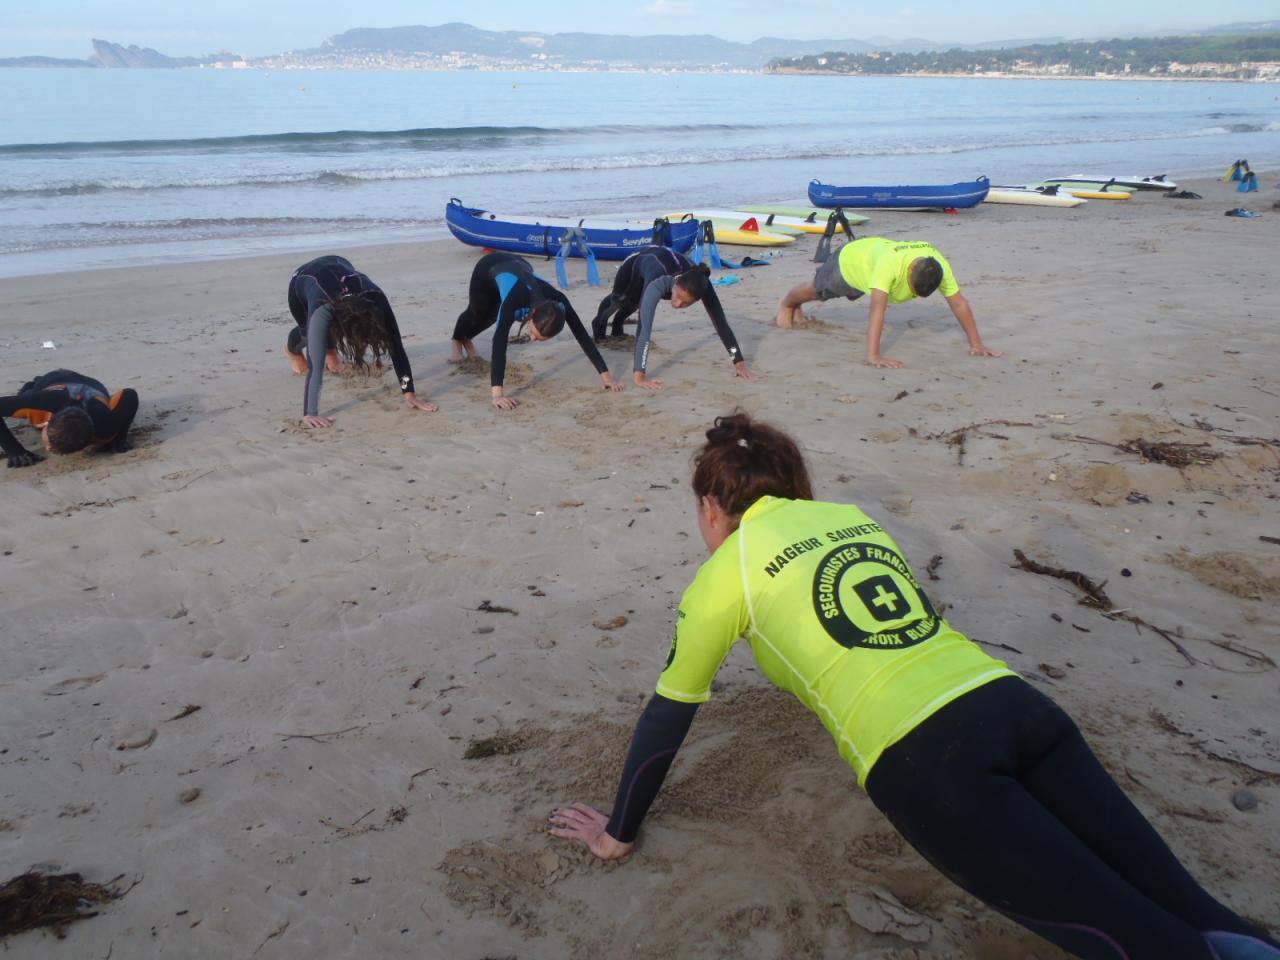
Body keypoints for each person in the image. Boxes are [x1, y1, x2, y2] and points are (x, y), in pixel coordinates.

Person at [550, 412, 1279, 960]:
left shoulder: (725, 573)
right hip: (1015, 706)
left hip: (932, 766)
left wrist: (618, 833)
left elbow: (667, 716)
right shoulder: (852, 519)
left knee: (1141, 943)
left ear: (712, 508)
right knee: (1191, 906)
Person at [775, 237, 1001, 369]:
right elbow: (877, 311)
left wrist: (977, 344)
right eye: (913, 290)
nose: (913, 295)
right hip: (850, 263)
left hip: (871, 260)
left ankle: (796, 308)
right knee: (817, 291)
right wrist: (874, 356)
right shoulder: (889, 266)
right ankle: (787, 304)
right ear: (911, 269)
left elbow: (959, 303)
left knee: (820, 292)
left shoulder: (938, 265)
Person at [450, 252, 623, 410]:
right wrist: (498, 395)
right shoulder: (514, 300)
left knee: (494, 314)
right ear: (532, 316)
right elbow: (499, 341)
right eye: (534, 333)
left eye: (539, 338)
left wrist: (607, 378)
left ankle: (468, 340)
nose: (532, 338)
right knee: (478, 312)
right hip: (489, 267)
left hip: (519, 264)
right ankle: (458, 340)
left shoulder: (560, 302)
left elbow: (582, 336)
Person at [286, 255, 437, 428]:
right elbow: (315, 365)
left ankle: (331, 353)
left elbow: (397, 349)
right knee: (312, 335)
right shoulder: (323, 308)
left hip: (337, 262)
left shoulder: (377, 299)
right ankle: (292, 351)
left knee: (327, 333)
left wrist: (409, 394)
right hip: (303, 280)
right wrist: (310, 413)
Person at [591, 246, 755, 389]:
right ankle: (598, 324)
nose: (677, 304)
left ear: (698, 298)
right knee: (622, 299)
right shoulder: (658, 283)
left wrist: (739, 363)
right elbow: (644, 329)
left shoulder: (702, 284)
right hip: (637, 264)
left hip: (662, 264)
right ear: (675, 285)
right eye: (676, 297)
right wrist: (639, 377)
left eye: (685, 303)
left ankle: (617, 326)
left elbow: (721, 325)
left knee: (635, 303)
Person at [1, 369, 138, 468]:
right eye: (51, 444)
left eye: (53, 448)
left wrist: (118, 438)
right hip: (54, 380)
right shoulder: (41, 404)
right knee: (27, 393)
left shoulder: (105, 429)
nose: (47, 448)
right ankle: (31, 384)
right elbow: (129, 394)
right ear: (49, 423)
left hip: (90, 385)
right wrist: (13, 450)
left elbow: (130, 395)